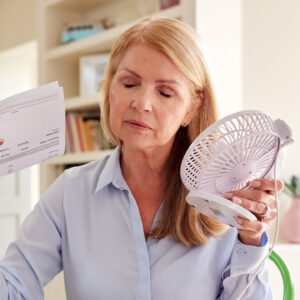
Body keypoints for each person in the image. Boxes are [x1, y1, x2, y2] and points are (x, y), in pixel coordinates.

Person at [0, 17, 282, 299]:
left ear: (192, 109)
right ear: (109, 87)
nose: (141, 103)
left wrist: (250, 238)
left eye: (165, 92)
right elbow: (13, 286)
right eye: (129, 83)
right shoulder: (70, 193)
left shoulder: (225, 198)